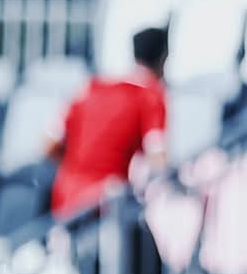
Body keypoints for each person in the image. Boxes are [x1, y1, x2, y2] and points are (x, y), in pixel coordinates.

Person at [50, 27, 170, 217]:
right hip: (106, 203)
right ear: (163, 58)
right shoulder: (150, 96)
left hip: (65, 196)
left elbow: (50, 144)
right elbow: (158, 159)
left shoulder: (92, 88)